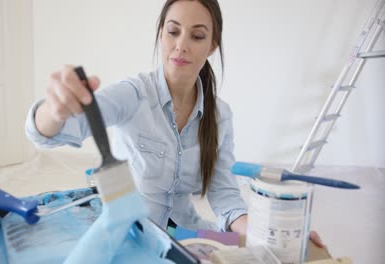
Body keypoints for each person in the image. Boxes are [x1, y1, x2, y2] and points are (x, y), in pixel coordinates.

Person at [25, 0, 325, 248]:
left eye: (196, 36)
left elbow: (224, 195)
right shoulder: (133, 94)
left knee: (267, 251)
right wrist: (55, 110)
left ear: (211, 47)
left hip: (185, 235)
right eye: (173, 32)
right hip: (126, 233)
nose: (181, 45)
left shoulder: (220, 115)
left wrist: (269, 235)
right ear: (161, 34)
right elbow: (50, 133)